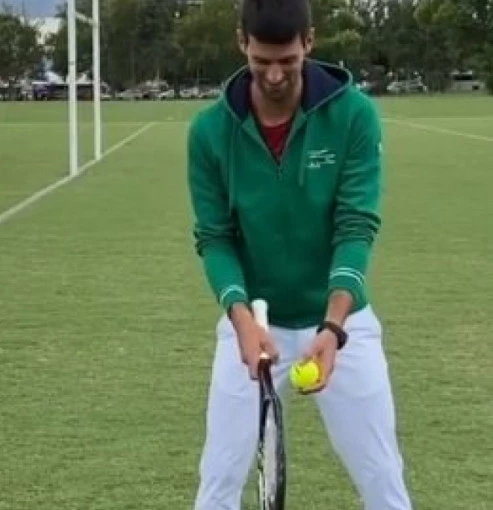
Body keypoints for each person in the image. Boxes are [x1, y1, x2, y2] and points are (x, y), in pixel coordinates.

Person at [186, 0, 412, 509]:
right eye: (261, 60)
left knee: (382, 477)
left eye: (287, 60)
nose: (273, 75)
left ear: (309, 42)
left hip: (341, 325)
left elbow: (356, 225)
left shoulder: (354, 116)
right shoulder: (209, 132)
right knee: (217, 482)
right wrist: (242, 321)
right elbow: (215, 237)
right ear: (241, 42)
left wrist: (333, 328)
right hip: (252, 328)